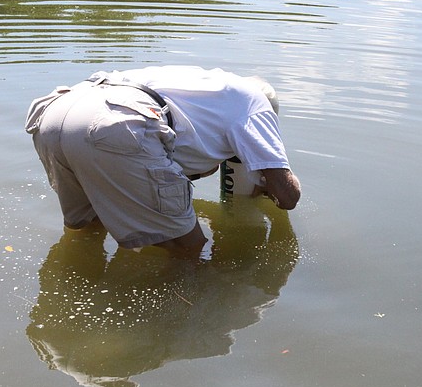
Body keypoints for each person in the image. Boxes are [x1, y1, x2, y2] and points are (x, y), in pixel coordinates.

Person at [25, 66, 300, 252]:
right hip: (117, 124)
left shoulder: (210, 88)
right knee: (190, 248)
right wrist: (273, 181)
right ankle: (156, 324)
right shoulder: (258, 104)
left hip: (55, 113)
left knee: (87, 227)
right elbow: (288, 198)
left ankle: (74, 298)